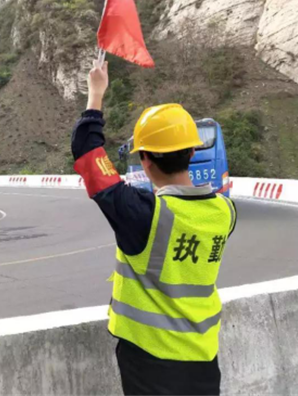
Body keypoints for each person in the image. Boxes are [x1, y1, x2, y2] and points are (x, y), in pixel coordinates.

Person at [71, 61, 237, 395]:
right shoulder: (226, 211)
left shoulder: (143, 214)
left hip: (151, 363)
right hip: (204, 358)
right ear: (193, 151)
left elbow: (87, 152)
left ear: (145, 160)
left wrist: (96, 93)